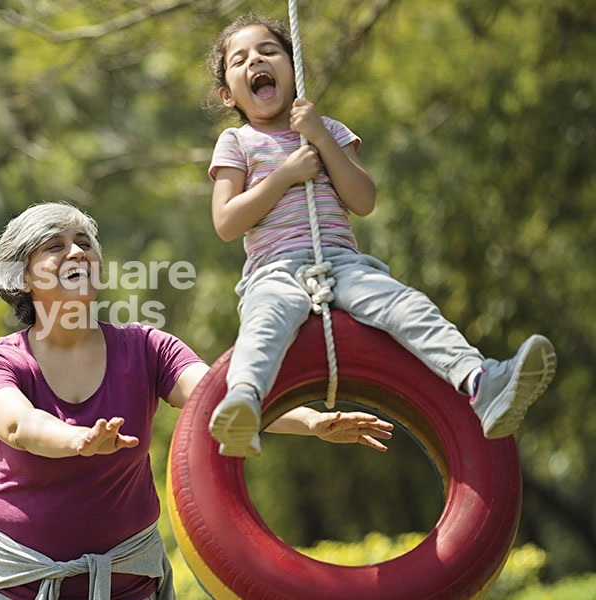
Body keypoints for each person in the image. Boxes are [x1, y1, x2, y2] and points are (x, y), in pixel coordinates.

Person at [0, 202, 394, 600]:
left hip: (128, 583)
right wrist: (77, 440)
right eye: (55, 246)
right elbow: (18, 426)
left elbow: (217, 395)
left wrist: (309, 421)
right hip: (17, 584)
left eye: (84, 243)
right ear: (23, 278)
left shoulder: (147, 348)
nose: (77, 253)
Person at [204, 14, 558, 458]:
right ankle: (244, 402)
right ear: (227, 94)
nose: (256, 60)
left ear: (297, 70)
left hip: (343, 264)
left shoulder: (328, 130)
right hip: (274, 270)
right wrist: (285, 176)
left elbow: (363, 199)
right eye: (240, 60)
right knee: (267, 320)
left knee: (407, 306)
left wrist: (319, 137)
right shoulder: (236, 142)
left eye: (269, 51)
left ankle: (482, 381)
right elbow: (226, 221)